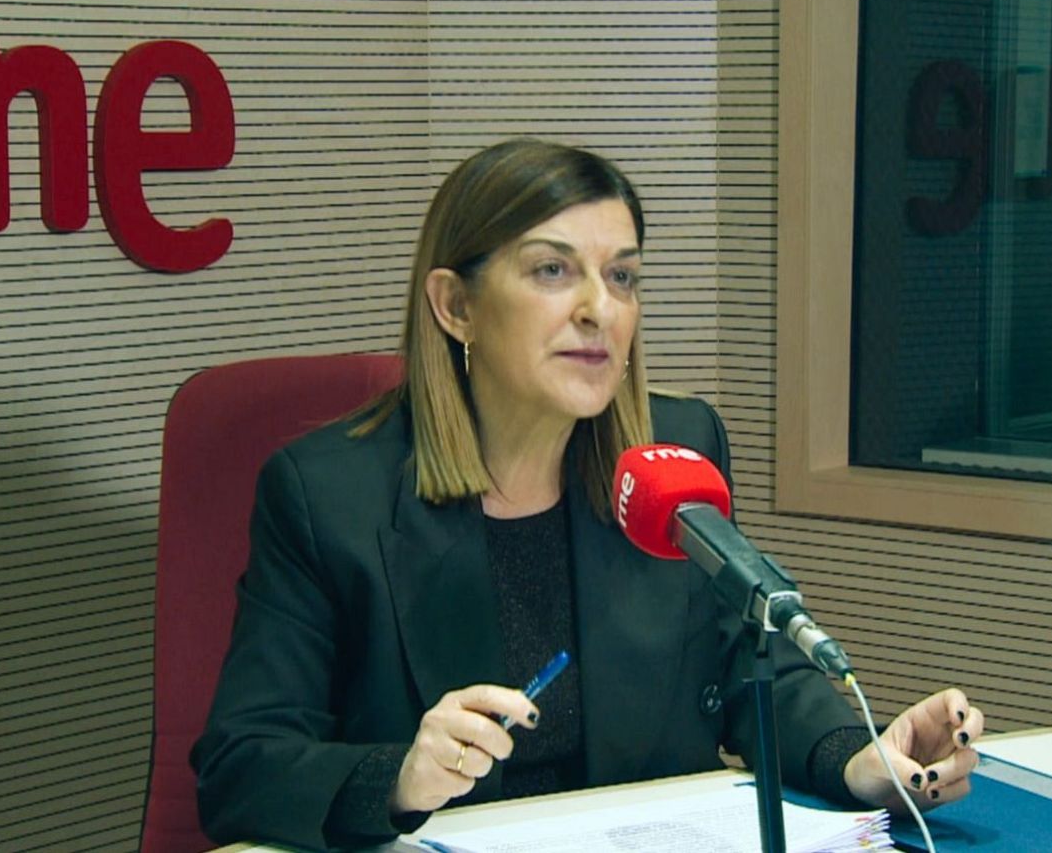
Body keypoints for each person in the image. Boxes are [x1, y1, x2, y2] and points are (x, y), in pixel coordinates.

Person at [190, 138, 985, 850]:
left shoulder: (675, 455)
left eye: (622, 276)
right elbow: (241, 767)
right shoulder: (329, 495)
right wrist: (399, 775)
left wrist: (859, 757)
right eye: (552, 270)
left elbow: (753, 666)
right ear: (456, 305)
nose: (598, 309)